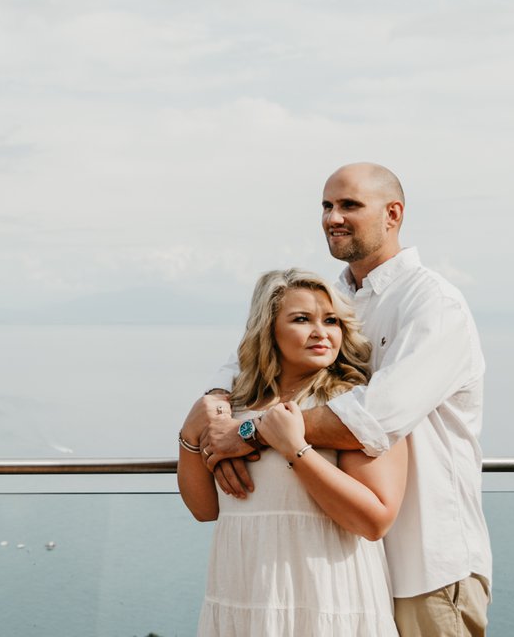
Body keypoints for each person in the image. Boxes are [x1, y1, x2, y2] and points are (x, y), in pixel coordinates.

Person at [184, 164, 493, 637]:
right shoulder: (339, 297)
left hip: (426, 563)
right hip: (348, 563)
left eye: (349, 205)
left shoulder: (432, 303)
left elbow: (372, 418)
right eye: (327, 206)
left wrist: (248, 433)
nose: (333, 217)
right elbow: (243, 360)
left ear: (393, 214)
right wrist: (216, 409)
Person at [180, 268, 407, 636]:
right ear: (268, 329)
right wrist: (189, 436)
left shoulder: (351, 406)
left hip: (328, 600)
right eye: (302, 319)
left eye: (331, 321)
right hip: (245, 596)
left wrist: (296, 450)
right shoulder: (235, 408)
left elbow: (374, 520)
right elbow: (205, 510)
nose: (321, 332)